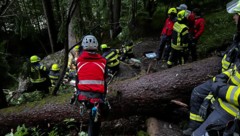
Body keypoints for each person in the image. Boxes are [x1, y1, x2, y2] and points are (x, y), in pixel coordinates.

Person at [71, 35, 108, 136]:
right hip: (97, 98)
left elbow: (77, 78)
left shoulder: (79, 61)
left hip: (82, 97)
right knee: (95, 121)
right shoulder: (103, 61)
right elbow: (105, 78)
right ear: (96, 47)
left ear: (83, 47)